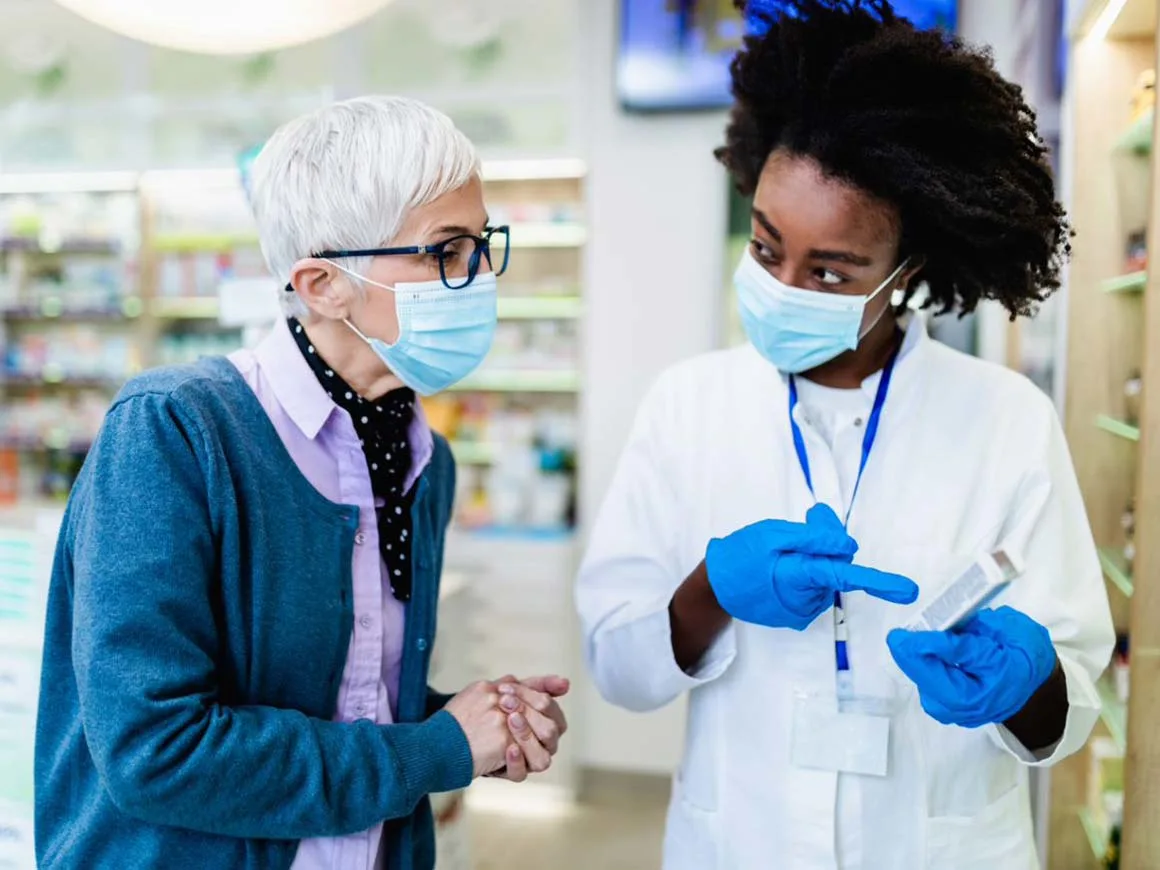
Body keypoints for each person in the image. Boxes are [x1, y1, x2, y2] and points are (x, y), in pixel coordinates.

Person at [575, 2, 1113, 868]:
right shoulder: (687, 406)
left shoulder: (1006, 418)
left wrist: (1028, 683)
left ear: (908, 273)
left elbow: (1071, 704)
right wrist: (709, 592)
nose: (784, 285)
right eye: (766, 249)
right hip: (739, 842)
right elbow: (617, 665)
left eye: (829, 272)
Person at [35, 96, 569, 870]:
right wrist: (434, 752)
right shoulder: (176, 432)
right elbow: (154, 748)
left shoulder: (424, 459)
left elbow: (341, 698)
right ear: (322, 284)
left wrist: (472, 720)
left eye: (483, 245)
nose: (480, 275)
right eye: (447, 251)